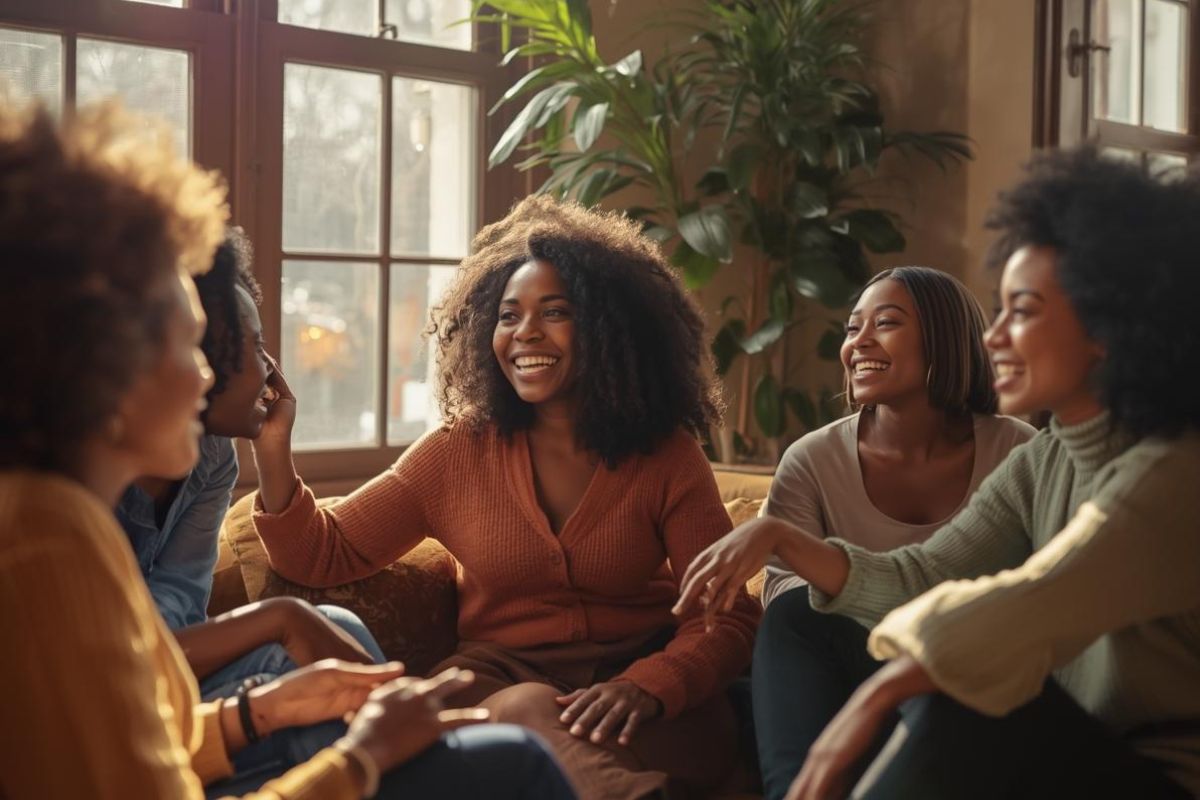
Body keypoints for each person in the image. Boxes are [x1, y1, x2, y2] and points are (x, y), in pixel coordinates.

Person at [0, 99, 575, 800]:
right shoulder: (44, 538)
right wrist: (360, 760)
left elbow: (144, 742)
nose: (207, 374)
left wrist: (264, 709)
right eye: (189, 343)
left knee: (495, 752)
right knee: (512, 762)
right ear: (103, 360)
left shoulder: (54, 515)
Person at [679, 147, 1200, 799]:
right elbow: (924, 575)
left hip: (1158, 777)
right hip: (1063, 750)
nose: (994, 336)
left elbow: (1033, 600)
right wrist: (784, 540)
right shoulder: (1046, 458)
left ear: (1107, 327)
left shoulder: (1174, 473)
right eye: (999, 309)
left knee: (954, 699)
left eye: (1024, 310)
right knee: (807, 621)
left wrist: (885, 692)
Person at [250, 194, 761, 799]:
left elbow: (724, 614)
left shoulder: (667, 457)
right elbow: (321, 554)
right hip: (497, 686)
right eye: (508, 315)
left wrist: (649, 686)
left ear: (608, 328)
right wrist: (271, 443)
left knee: (529, 738)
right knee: (521, 710)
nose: (526, 334)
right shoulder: (456, 451)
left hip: (639, 700)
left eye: (555, 312)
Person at [678, 266, 1034, 799]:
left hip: (969, 671)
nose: (858, 343)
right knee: (794, 615)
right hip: (845, 669)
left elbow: (1027, 597)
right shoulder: (813, 459)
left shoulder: (1017, 452)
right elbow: (786, 598)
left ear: (944, 338)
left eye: (885, 324)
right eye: (851, 328)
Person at [116, 229, 389, 780]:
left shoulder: (212, 457)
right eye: (253, 346)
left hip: (165, 670)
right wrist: (277, 618)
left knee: (331, 625)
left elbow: (179, 609)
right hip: (114, 695)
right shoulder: (71, 494)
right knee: (296, 666)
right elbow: (114, 662)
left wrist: (272, 446)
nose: (269, 367)